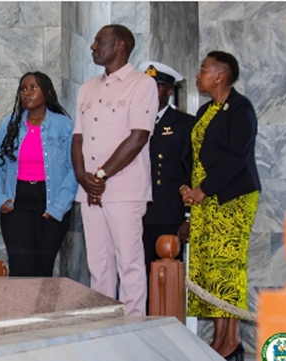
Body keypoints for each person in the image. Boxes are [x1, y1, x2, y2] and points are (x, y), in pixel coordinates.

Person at [71, 24, 158, 316]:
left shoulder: (141, 84)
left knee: (129, 262)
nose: (93, 46)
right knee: (98, 263)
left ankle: (132, 328)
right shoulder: (87, 87)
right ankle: (103, 325)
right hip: (90, 190)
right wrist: (83, 177)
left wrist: (101, 175)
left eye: (99, 41)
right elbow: (78, 137)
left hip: (123, 188)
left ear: (120, 44)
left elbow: (138, 137)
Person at [181, 51, 260, 361]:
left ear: (220, 75)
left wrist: (204, 189)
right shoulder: (205, 111)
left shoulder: (240, 109)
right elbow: (193, 155)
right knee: (209, 267)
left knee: (227, 265)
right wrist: (187, 187)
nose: (199, 74)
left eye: (203, 69)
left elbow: (236, 158)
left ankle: (231, 341)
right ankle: (220, 339)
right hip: (204, 200)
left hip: (232, 199)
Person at [0, 71, 77, 277]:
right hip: (17, 202)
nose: (26, 93)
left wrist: (59, 206)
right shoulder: (10, 124)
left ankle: (43, 310)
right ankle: (22, 310)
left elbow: (74, 168)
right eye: (23, 89)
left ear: (46, 91)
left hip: (51, 202)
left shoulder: (63, 125)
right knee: (20, 269)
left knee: (43, 269)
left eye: (32, 88)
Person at [138, 61, 195, 311]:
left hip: (167, 215)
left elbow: (192, 172)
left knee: (165, 282)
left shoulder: (185, 124)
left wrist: (189, 217)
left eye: (156, 87)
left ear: (169, 90)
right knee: (137, 280)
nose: (149, 93)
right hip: (135, 212)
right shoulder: (133, 121)